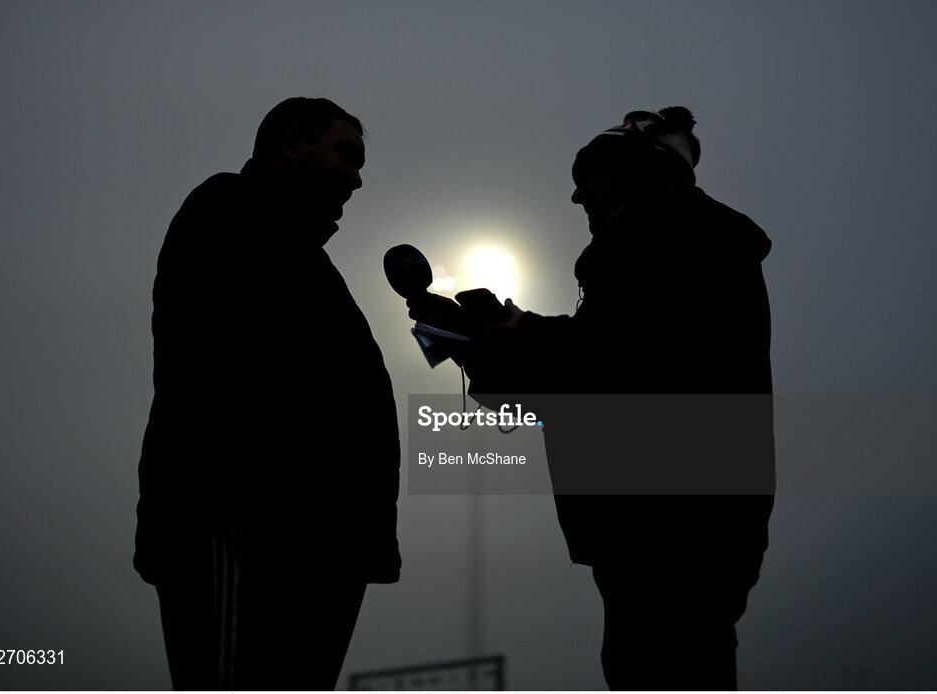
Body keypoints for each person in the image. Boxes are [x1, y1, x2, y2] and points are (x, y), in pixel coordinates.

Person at [411, 107, 774, 690]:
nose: (578, 196)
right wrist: (484, 348)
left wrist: (521, 337)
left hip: (672, 535)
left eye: (593, 175)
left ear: (646, 173)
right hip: (671, 534)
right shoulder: (677, 248)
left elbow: (625, 364)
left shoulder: (683, 241)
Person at [134, 97, 401, 690]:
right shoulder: (228, 210)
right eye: (346, 155)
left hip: (316, 546)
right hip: (252, 529)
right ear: (290, 144)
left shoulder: (304, 258)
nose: (357, 178)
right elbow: (239, 369)